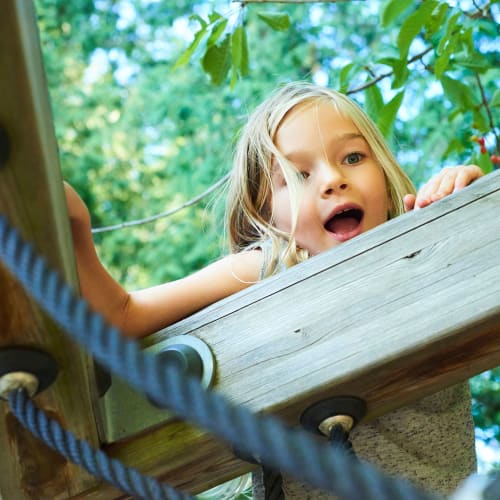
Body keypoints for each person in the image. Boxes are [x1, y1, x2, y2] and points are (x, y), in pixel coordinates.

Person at [65, 82, 483, 498]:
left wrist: (465, 202)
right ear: (266, 215)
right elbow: (122, 316)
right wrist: (76, 228)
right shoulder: (274, 265)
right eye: (297, 176)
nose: (333, 180)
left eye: (352, 157)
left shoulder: (420, 234)